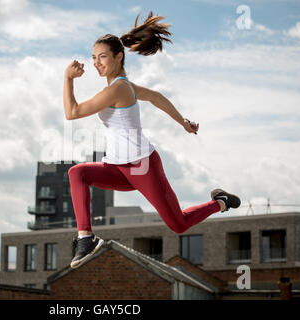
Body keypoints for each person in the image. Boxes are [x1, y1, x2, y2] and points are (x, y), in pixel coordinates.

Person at [63, 12, 240, 269]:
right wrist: (183, 122)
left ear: (118, 56)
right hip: (117, 168)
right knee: (77, 173)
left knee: (178, 224)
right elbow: (156, 97)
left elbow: (73, 113)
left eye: (102, 57)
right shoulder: (125, 86)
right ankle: (85, 238)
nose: (96, 63)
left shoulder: (119, 89)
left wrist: (68, 79)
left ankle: (220, 202)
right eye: (93, 58)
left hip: (142, 167)